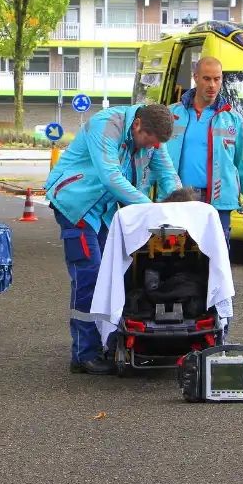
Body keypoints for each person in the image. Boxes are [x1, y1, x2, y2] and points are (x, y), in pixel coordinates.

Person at [45, 103, 183, 375]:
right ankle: (84, 354)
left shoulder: (153, 139)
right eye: (147, 142)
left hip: (106, 212)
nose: (150, 148)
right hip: (76, 206)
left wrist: (179, 210)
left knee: (113, 276)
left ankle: (109, 342)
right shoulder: (106, 125)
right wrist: (149, 209)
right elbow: (111, 177)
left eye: (155, 146)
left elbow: (168, 175)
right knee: (90, 276)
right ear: (138, 125)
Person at [163, 56, 243, 242]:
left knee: (216, 262)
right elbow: (153, 159)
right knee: (177, 261)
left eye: (217, 79)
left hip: (218, 202)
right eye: (207, 78)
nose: (212, 85)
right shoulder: (172, 114)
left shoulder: (233, 119)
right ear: (196, 78)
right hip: (178, 200)